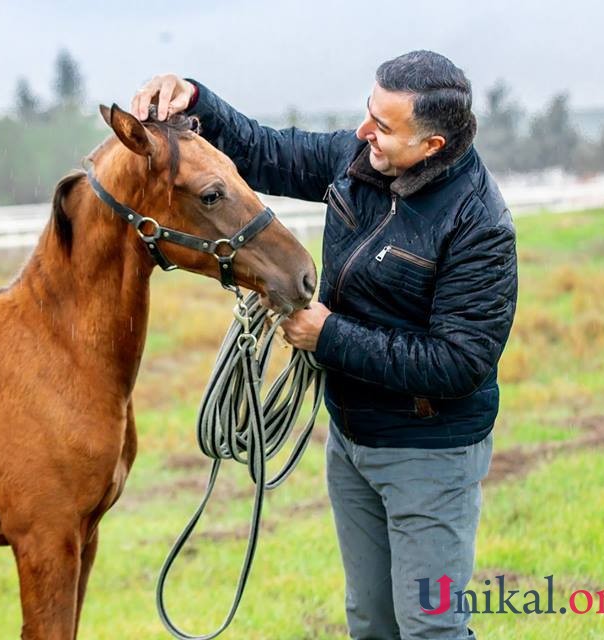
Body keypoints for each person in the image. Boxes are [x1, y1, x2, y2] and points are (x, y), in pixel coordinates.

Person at [131, 50, 517, 640]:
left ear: (432, 145)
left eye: (384, 127)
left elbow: (458, 363)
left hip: (429, 453)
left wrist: (327, 335)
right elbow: (262, 150)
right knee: (370, 621)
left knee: (431, 628)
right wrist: (194, 98)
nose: (365, 133)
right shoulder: (357, 159)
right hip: (353, 440)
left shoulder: (478, 225)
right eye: (369, 114)